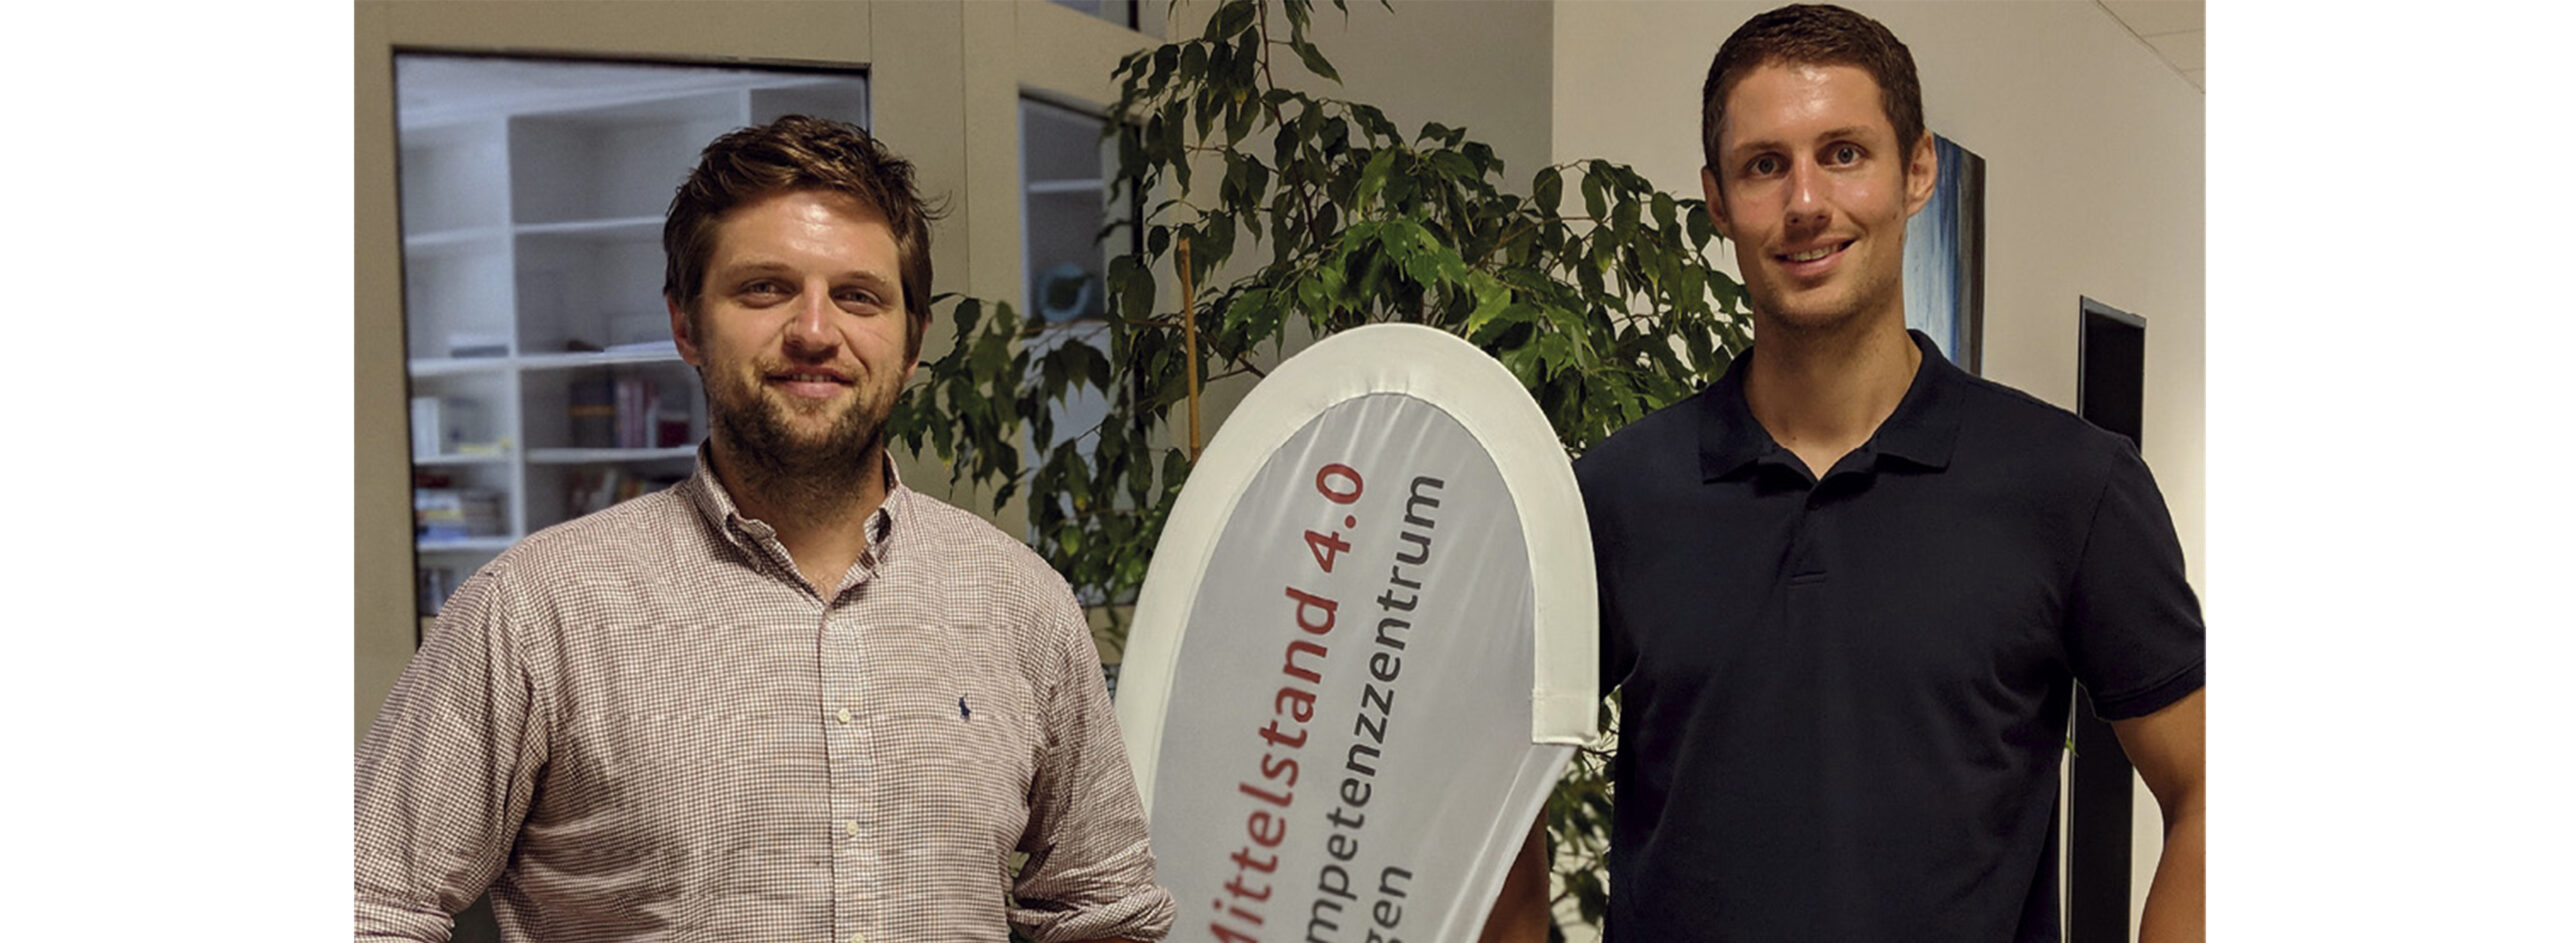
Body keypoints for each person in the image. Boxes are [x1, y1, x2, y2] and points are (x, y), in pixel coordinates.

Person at [354, 115, 1176, 943]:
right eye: (764, 289)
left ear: (912, 342)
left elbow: (1102, 909)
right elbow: (367, 902)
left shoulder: (1021, 603)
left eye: (858, 296)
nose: (815, 331)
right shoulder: (536, 611)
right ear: (686, 325)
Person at [1501, 5, 2207, 941]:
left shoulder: (2073, 486)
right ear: (1717, 200)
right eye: (1765, 165)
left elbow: (2207, 785)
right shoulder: (1619, 495)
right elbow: (1488, 771)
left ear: (1917, 171)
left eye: (1843, 153)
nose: (1805, 202)